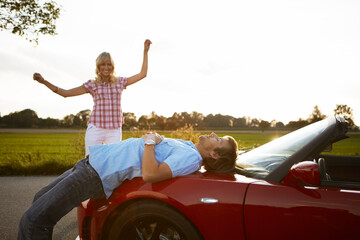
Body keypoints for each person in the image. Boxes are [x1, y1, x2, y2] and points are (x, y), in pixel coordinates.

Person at [18, 132, 238, 240]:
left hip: (96, 174)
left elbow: (152, 174)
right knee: (39, 198)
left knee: (35, 219)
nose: (213, 134)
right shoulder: (188, 147)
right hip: (91, 164)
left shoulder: (191, 158)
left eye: (218, 140)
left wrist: (151, 141)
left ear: (214, 154)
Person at [33, 39, 152, 156]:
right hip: (96, 129)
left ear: (113, 66)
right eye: (103, 64)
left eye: (109, 64)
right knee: (90, 162)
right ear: (98, 67)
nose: (106, 67)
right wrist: (44, 82)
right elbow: (66, 93)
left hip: (114, 130)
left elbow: (143, 74)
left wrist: (145, 51)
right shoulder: (92, 84)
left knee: (114, 162)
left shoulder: (120, 82)